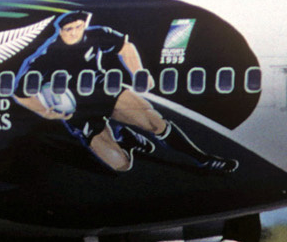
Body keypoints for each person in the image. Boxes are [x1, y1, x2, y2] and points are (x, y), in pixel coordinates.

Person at [13, 11, 238, 174]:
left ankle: (203, 159)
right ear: (60, 31)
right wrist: (45, 112)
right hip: (79, 111)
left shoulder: (96, 35)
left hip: (103, 90)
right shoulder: (48, 55)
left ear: (84, 25)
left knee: (154, 121)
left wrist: (139, 72)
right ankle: (126, 141)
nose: (73, 33)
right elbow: (19, 91)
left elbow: (125, 47)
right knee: (121, 165)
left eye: (78, 27)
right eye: (67, 30)